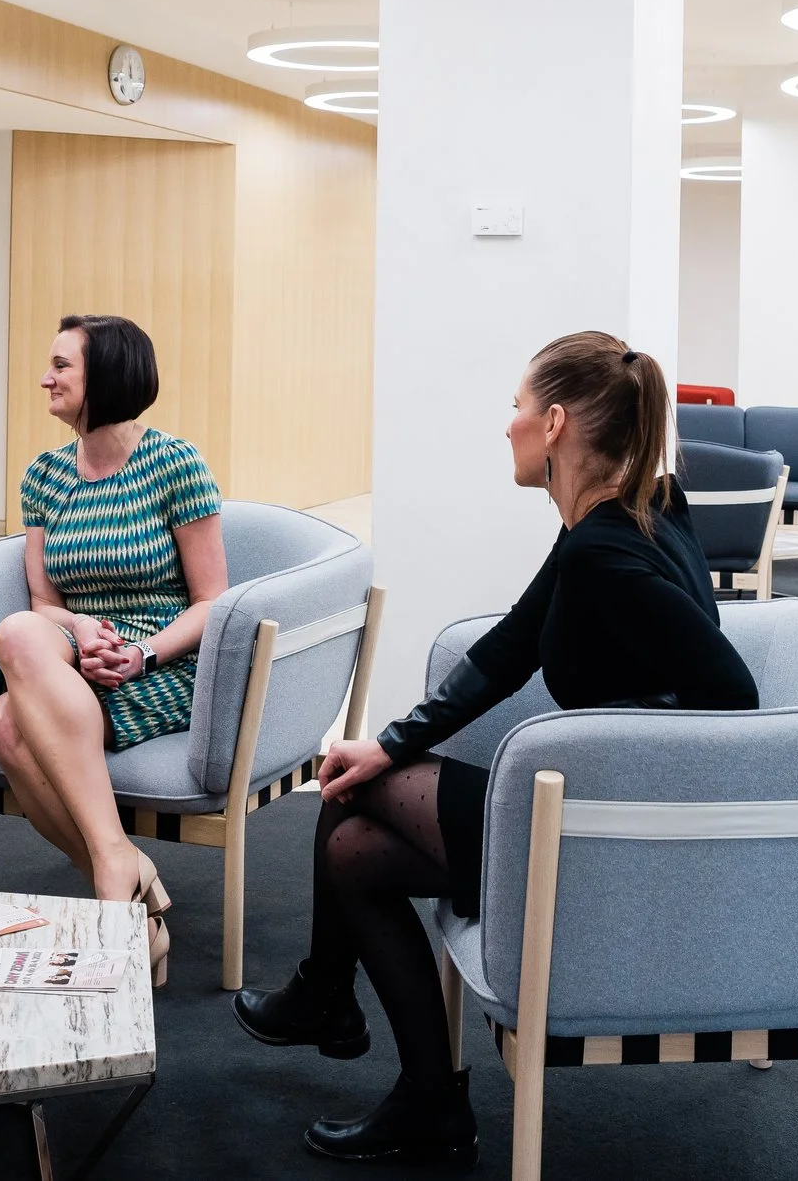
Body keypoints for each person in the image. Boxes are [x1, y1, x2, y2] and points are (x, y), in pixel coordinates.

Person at [234, 331, 760, 1165]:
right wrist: (390, 742)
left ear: (553, 423)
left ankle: (333, 1003)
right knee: (354, 843)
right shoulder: (627, 515)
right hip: (597, 818)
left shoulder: (605, 549)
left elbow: (733, 690)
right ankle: (416, 1088)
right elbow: (510, 648)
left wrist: (615, 741)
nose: (506, 424)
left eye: (516, 406)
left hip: (605, 838)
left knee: (347, 799)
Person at [0, 315, 228, 988]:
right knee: (16, 635)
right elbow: (43, 604)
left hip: (163, 660)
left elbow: (212, 601)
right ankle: (117, 862)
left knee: (6, 720)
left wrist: (142, 651)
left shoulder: (175, 462)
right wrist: (81, 629)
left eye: (62, 365)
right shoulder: (45, 475)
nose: (45, 377)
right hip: (76, 653)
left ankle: (119, 881)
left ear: (106, 377)